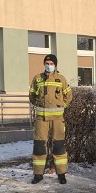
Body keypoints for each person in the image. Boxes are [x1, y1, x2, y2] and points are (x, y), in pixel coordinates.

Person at [28, 54, 72, 184]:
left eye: (51, 63)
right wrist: (38, 105)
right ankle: (38, 174)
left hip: (57, 119)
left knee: (59, 146)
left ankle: (61, 174)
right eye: (47, 63)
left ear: (55, 65)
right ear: (44, 64)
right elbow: (32, 96)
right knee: (39, 147)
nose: (49, 65)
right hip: (41, 119)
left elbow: (68, 96)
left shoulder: (61, 79)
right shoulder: (37, 79)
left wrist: (62, 106)